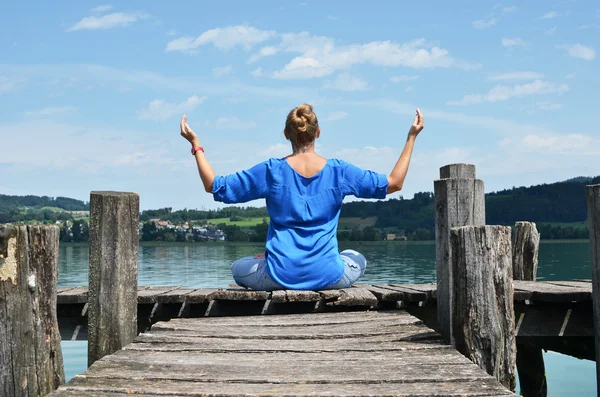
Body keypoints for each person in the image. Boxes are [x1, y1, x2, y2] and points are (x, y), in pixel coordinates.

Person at [180, 104, 424, 291]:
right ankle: (326, 260)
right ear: (318, 132)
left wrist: (196, 144)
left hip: (278, 275)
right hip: (329, 276)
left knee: (238, 267)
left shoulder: (271, 170)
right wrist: (411, 137)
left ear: (286, 133)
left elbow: (215, 186)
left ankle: (273, 259)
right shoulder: (339, 171)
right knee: (357, 257)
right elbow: (394, 183)